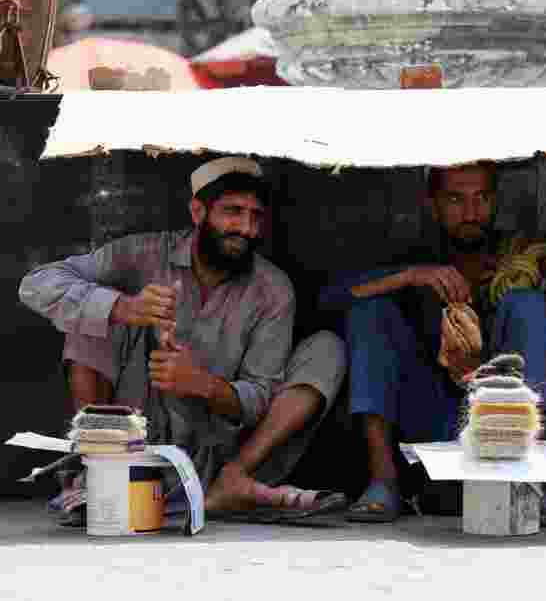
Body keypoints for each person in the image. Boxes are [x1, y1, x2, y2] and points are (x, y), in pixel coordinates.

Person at [19, 157, 348, 521]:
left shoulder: (273, 289)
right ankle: (101, 471)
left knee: (326, 348)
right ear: (197, 211)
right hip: (132, 444)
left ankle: (233, 481)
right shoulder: (139, 256)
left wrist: (203, 384)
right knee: (92, 309)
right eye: (233, 212)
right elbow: (36, 285)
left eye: (256, 216)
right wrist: (125, 307)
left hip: (219, 453)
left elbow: (259, 397)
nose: (246, 228)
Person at [319, 161, 546, 524]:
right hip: (428, 418)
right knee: (369, 312)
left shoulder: (520, 256)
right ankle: (383, 480)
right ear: (432, 205)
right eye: (455, 199)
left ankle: (528, 479)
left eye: (481, 198)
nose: (471, 213)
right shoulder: (415, 255)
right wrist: (410, 277)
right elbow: (328, 302)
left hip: (502, 418)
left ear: (495, 201)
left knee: (527, 304)